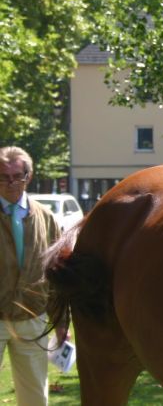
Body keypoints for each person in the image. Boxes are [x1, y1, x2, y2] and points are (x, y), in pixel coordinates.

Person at [0, 146, 63, 406]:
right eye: (3, 176)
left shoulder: (46, 218)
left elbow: (57, 274)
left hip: (33, 317)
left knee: (35, 398)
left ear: (29, 175)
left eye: (17, 175)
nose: (11, 182)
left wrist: (61, 322)